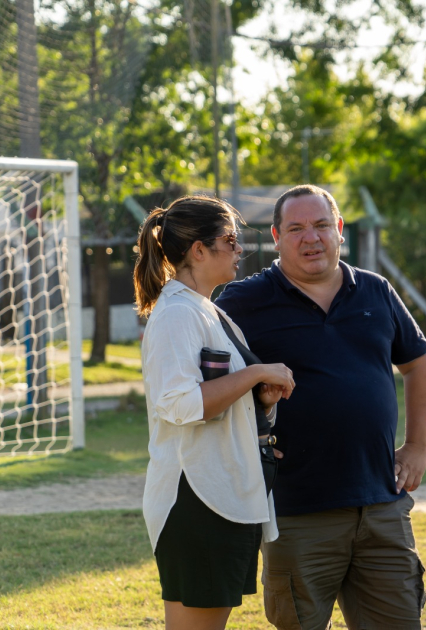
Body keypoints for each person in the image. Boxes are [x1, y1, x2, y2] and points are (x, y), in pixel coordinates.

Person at [216, 185, 426, 630]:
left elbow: (420, 364)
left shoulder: (375, 291)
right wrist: (244, 448)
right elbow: (206, 386)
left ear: (339, 230)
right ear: (277, 238)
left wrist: (417, 446)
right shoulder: (242, 302)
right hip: (297, 511)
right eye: (295, 228)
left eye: (320, 225)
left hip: (380, 506)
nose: (310, 238)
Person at [133, 196, 296, 630]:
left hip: (220, 495)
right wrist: (256, 372)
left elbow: (216, 397)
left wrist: (259, 401)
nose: (239, 249)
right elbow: (180, 404)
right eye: (231, 239)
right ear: (198, 250)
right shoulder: (176, 314)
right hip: (197, 498)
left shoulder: (208, 311)